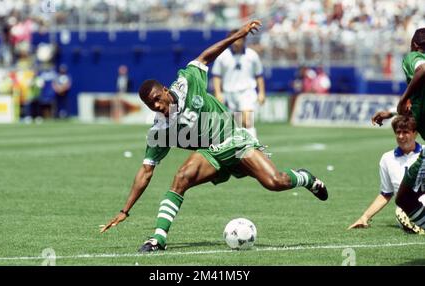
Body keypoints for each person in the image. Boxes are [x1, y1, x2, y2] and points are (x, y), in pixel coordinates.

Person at [100, 20, 328, 252]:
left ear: (166, 91)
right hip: (212, 154)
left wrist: (238, 34)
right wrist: (124, 210)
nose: (157, 105)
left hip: (234, 139)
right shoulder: (160, 130)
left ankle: (305, 178)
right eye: (151, 104)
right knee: (181, 178)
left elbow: (206, 56)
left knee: (275, 182)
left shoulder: (187, 82)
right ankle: (158, 239)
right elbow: (145, 171)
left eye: (158, 98)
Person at [372, 28, 425, 233]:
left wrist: (403, 98)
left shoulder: (414, 57)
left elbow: (421, 70)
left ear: (413, 45)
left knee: (403, 197)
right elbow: (417, 109)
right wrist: (393, 113)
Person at [348, 115, 424, 230]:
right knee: (401, 210)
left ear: (415, 133)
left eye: (405, 132)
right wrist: (364, 217)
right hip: (406, 209)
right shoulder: (387, 158)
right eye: (398, 132)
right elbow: (385, 194)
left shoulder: (424, 153)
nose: (401, 136)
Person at [211, 29, 265, 138]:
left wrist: (261, 93)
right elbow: (217, 76)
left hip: (247, 92)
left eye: (239, 38)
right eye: (233, 39)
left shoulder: (252, 55)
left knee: (247, 120)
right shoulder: (222, 56)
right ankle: (242, 150)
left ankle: (254, 147)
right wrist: (218, 93)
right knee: (238, 124)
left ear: (244, 40)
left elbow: (259, 75)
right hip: (230, 93)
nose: (236, 42)